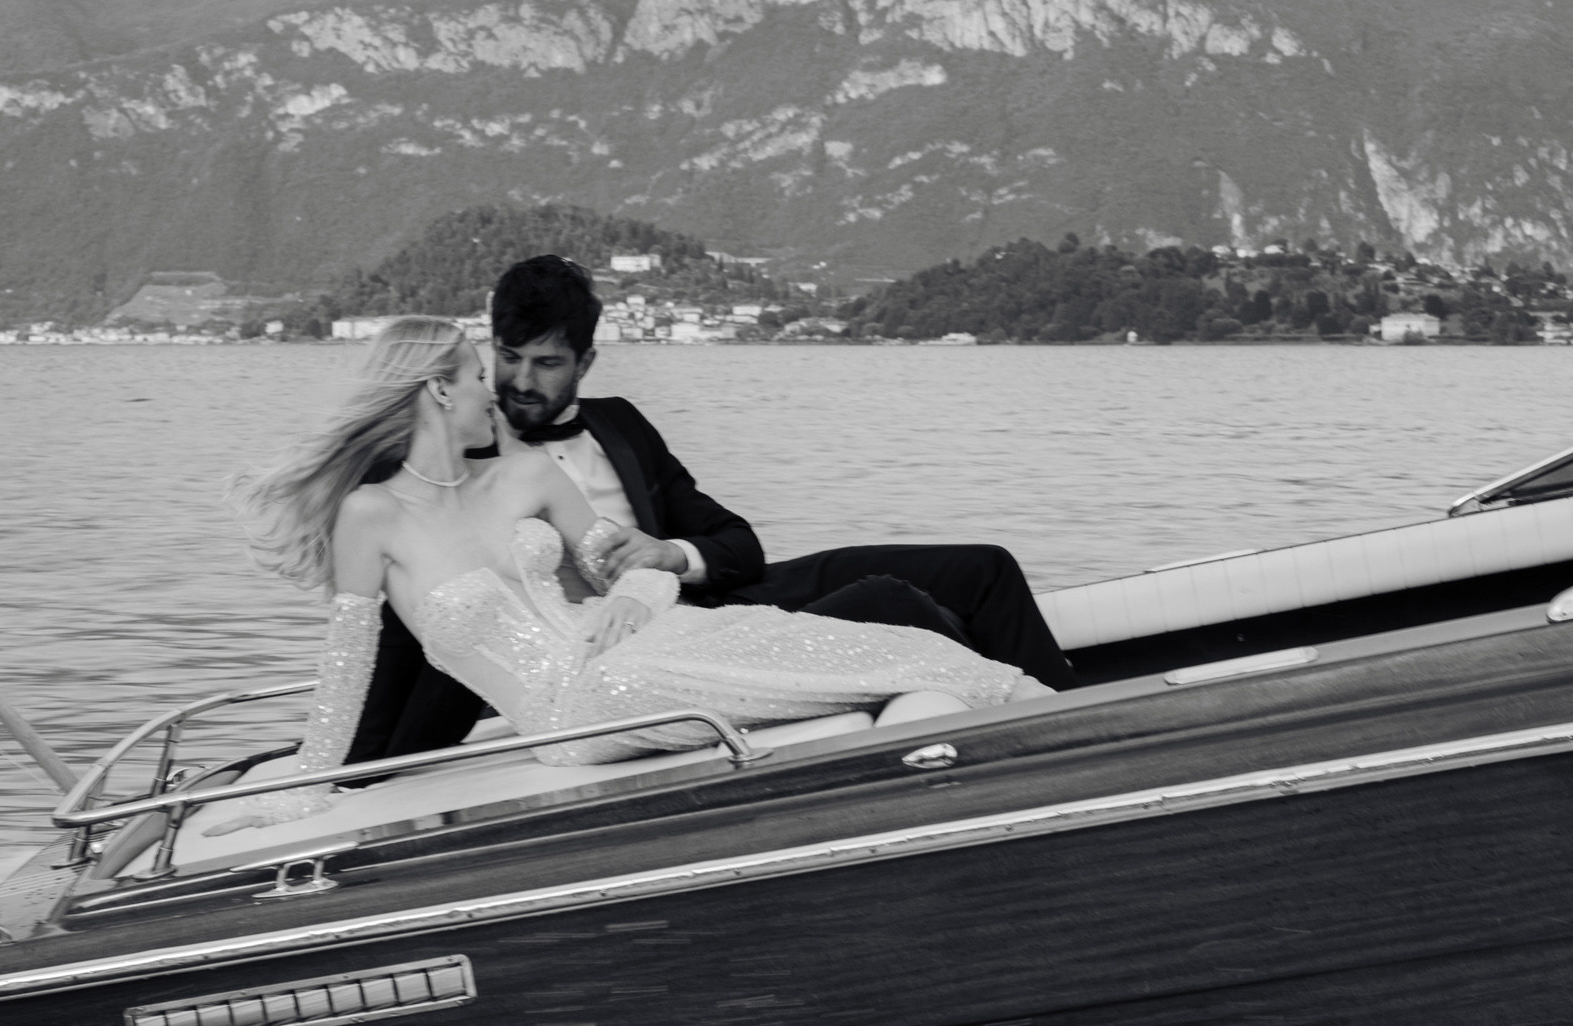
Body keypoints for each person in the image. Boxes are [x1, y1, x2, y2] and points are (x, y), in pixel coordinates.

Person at [232, 317, 1033, 820]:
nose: (493, 393)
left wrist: (636, 601)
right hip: (574, 708)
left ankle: (1051, 721)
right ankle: (1048, 732)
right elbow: (346, 672)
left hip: (648, 642)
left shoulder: (527, 477)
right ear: (439, 390)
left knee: (879, 642)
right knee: (828, 658)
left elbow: (638, 568)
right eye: (478, 375)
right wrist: (300, 791)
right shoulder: (371, 516)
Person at [346, 254, 1074, 761]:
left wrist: (670, 556)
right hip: (626, 661)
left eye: (547, 363)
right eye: (506, 358)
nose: (519, 382)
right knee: (891, 602)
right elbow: (422, 626)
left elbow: (734, 541)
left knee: (984, 568)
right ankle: (1028, 741)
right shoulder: (449, 477)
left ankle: (1089, 719)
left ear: (586, 364)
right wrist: (363, 763)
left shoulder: (621, 425)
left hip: (708, 605)